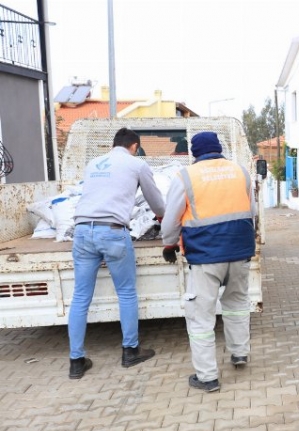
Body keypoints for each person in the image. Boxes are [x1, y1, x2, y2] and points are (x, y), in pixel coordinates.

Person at [161, 131, 255, 392]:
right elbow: (252, 211)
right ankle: (239, 353)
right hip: (239, 251)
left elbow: (171, 219)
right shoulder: (240, 171)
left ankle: (207, 377)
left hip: (205, 256)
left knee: (201, 318)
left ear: (195, 153)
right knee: (236, 304)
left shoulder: (186, 176)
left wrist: (169, 244)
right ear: (219, 148)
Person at [68, 127, 165, 379]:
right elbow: (156, 203)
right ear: (134, 146)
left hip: (81, 230)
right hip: (112, 231)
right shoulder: (136, 164)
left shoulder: (93, 164)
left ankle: (76, 362)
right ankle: (130, 351)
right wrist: (165, 217)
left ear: (114, 144)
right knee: (126, 292)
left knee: (80, 297)